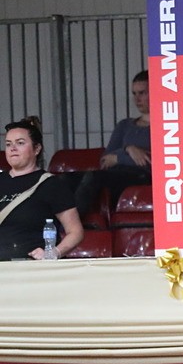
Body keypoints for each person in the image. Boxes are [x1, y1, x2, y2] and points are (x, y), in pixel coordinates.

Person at [1, 117, 83, 260]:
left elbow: (76, 232)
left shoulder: (51, 184)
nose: (13, 148)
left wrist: (53, 253)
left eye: (20, 143)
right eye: (8, 144)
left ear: (37, 148)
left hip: (33, 266)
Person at [73, 70, 152, 217]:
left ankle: (72, 226)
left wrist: (118, 157)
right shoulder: (124, 125)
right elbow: (105, 160)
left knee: (94, 178)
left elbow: (150, 161)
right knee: (64, 180)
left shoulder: (166, 126)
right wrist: (129, 149)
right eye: (134, 94)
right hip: (115, 174)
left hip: (141, 176)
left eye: (142, 93)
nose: (137, 99)